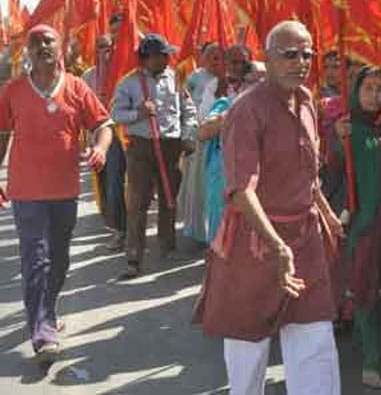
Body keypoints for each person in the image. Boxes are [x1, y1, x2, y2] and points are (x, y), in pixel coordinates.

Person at [195, 20, 343, 395]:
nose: (301, 62)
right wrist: (277, 246)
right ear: (268, 57)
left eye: (307, 54)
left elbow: (309, 173)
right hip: (255, 242)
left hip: (304, 237)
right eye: (289, 54)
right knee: (248, 348)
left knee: (314, 337)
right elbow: (241, 190)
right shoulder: (246, 111)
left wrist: (324, 210)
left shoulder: (308, 102)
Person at [0, 25, 112, 362]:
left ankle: (45, 308)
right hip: (26, 191)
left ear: (60, 46)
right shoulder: (12, 91)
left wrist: (100, 148)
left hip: (64, 190)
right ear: (27, 51)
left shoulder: (77, 88)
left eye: (49, 40)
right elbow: (2, 134)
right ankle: (43, 332)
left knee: (59, 260)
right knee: (36, 259)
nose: (42, 46)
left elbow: (102, 125)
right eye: (35, 42)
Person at [330, 66, 381, 389]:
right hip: (362, 222)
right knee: (364, 287)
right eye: (369, 88)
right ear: (356, 90)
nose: (376, 95)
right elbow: (332, 172)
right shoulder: (346, 128)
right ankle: (370, 361)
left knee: (378, 286)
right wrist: (338, 142)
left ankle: (366, 341)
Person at [111, 33, 198, 278]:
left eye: (166, 55)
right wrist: (137, 113)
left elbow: (188, 110)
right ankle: (134, 257)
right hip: (141, 148)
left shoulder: (177, 79)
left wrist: (189, 137)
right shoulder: (128, 83)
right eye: (159, 56)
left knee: (169, 199)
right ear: (145, 58)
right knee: (138, 203)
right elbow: (115, 114)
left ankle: (168, 246)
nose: (164, 60)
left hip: (171, 146)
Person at [197, 58, 263, 243]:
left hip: (260, 183)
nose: (259, 87)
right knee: (222, 236)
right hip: (225, 178)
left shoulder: (277, 110)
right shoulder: (227, 104)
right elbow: (203, 132)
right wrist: (234, 112)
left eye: (264, 82)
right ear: (243, 84)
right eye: (253, 81)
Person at [82, 33, 128, 251]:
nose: (105, 51)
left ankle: (125, 231)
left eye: (109, 46)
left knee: (120, 184)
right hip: (99, 138)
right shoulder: (88, 77)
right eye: (100, 47)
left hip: (124, 137)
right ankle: (116, 228)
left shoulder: (124, 73)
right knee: (107, 185)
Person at [186, 42, 224, 108]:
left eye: (216, 58)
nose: (213, 62)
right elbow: (184, 93)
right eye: (208, 57)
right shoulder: (197, 74)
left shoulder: (225, 79)